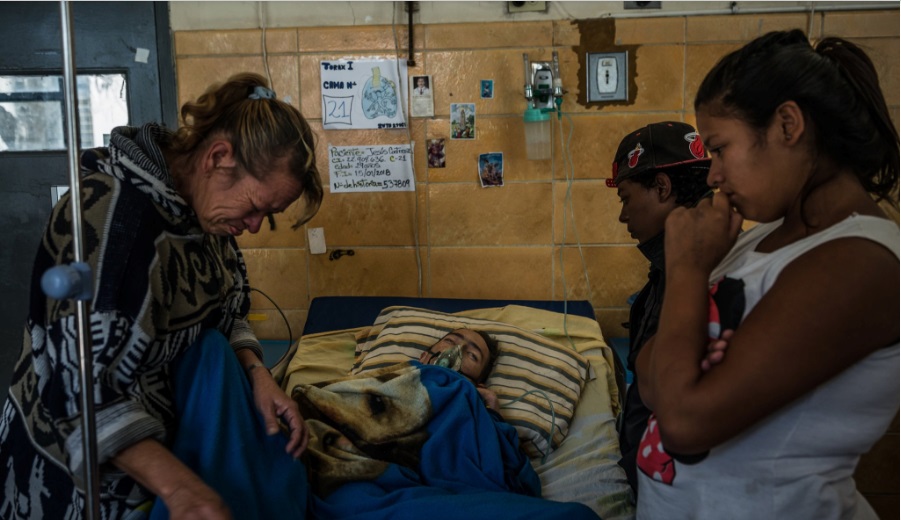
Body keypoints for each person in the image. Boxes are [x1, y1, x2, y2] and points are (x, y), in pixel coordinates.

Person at [0, 72, 324, 519]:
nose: (252, 226)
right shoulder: (108, 223)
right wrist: (182, 489)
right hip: (77, 480)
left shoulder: (205, 218)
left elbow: (228, 313)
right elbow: (80, 393)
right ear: (219, 156)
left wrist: (257, 375)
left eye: (266, 217)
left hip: (167, 457)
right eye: (255, 208)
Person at [635, 30, 899, 519]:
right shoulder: (762, 237)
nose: (712, 175)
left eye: (719, 148)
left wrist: (689, 269)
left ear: (787, 124)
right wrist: (682, 361)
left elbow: (684, 420)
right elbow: (653, 380)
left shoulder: (863, 261)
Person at [605, 121, 711, 500]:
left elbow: (660, 388)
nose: (623, 216)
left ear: (662, 188)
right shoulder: (675, 267)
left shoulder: (696, 269)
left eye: (626, 198)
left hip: (681, 488)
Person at [419, 328, 501, 411]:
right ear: (424, 356)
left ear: (477, 387)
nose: (459, 348)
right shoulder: (406, 372)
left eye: (472, 355)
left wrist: (492, 408)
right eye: (450, 341)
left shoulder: (470, 416)